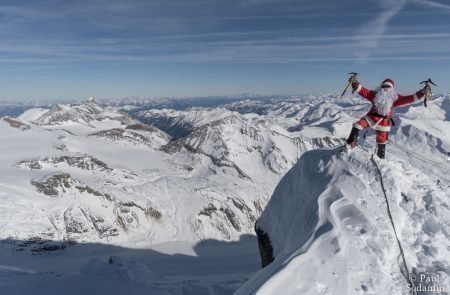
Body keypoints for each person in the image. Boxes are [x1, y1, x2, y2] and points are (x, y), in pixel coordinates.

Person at [346, 78, 429, 159]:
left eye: (388, 87)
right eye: (384, 86)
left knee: (381, 140)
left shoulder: (395, 98)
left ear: (392, 89)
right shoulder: (375, 95)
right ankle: (350, 144)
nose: (385, 89)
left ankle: (380, 158)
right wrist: (355, 83)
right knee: (358, 125)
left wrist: (421, 93)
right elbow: (364, 91)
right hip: (371, 117)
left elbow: (409, 98)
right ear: (381, 87)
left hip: (384, 122)